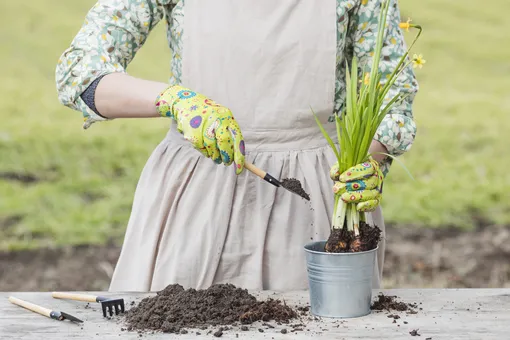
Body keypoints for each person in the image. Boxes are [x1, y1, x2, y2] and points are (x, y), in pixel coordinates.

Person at [55, 0, 418, 292]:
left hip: (318, 203)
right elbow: (80, 73)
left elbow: (393, 100)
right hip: (195, 196)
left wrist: (369, 160)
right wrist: (174, 100)